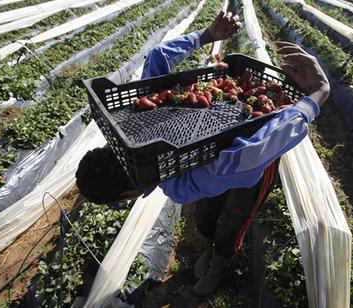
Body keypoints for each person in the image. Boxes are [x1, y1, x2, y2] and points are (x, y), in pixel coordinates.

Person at [75, 11, 330, 297]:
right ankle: (209, 250)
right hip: (228, 161)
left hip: (255, 165)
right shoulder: (135, 121)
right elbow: (158, 56)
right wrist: (205, 35)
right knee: (207, 216)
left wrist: (316, 98)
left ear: (126, 196)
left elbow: (251, 154)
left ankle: (221, 262)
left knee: (235, 218)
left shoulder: (179, 185)